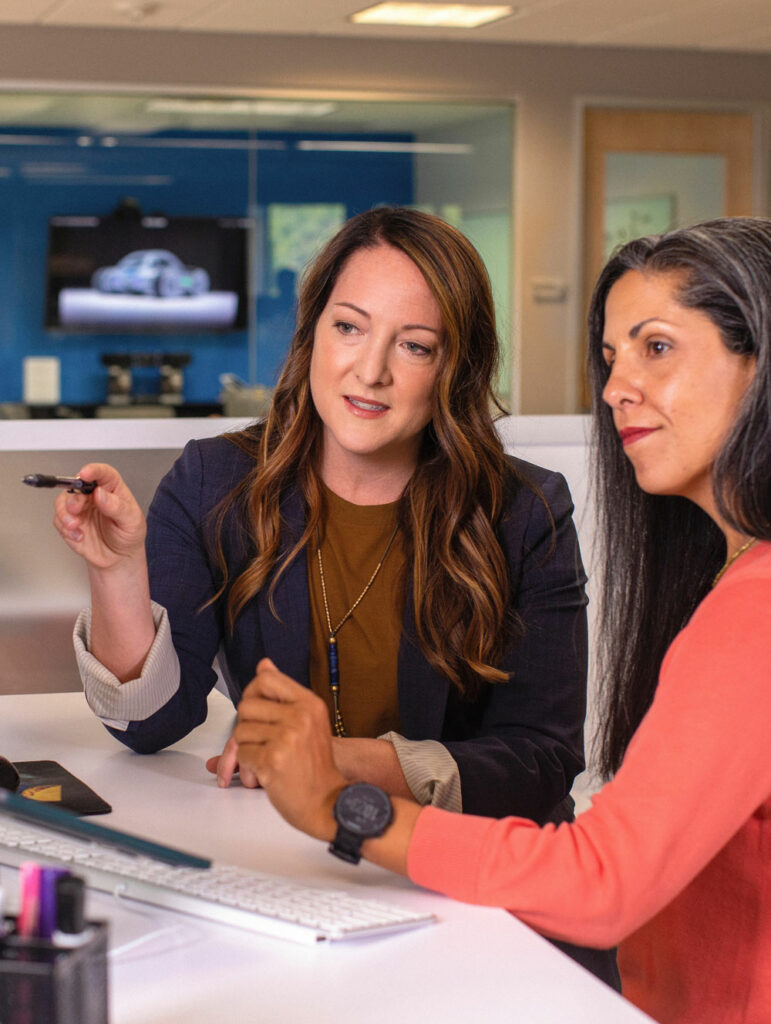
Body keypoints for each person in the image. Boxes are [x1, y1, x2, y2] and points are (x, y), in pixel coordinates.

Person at [53, 207, 616, 983]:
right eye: (349, 328)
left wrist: (340, 766)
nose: (370, 370)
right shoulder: (215, 481)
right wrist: (116, 570)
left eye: (413, 346)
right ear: (313, 331)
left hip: (475, 894)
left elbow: (542, 760)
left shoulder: (524, 509)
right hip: (296, 880)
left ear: (455, 366)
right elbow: (152, 723)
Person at [231, 217, 771, 1024]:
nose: (617, 386)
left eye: (656, 347)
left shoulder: (755, 607)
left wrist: (340, 808)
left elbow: (601, 883)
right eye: (610, 357)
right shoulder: (731, 579)